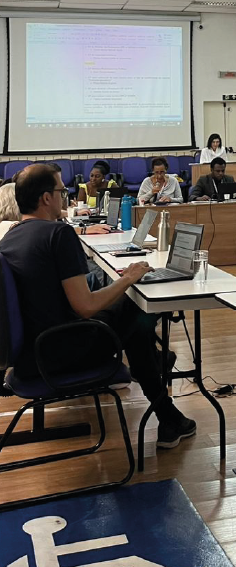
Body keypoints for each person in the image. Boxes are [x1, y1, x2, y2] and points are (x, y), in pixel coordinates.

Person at [0, 163, 196, 448]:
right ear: (46, 198)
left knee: (129, 317)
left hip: (31, 356)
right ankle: (161, 391)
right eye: (61, 191)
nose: (65, 195)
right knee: (138, 306)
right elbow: (86, 307)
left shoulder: (12, 236)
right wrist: (127, 278)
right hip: (60, 353)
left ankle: (164, 398)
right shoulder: (58, 235)